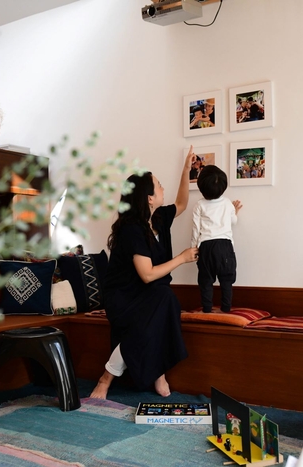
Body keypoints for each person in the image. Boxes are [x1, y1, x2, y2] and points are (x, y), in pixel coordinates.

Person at [90, 149, 200, 399]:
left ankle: (156, 371)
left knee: (165, 299)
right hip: (124, 297)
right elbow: (147, 275)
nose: (163, 188)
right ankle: (106, 378)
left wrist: (186, 170)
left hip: (149, 294)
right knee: (161, 301)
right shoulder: (132, 230)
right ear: (149, 198)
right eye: (159, 185)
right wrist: (181, 258)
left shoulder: (158, 218)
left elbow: (182, 203)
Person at [191, 165, 243, 313]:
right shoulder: (227, 203)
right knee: (226, 279)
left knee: (206, 280)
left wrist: (193, 248)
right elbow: (233, 222)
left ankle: (207, 308)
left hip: (206, 246)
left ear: (201, 187)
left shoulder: (199, 205)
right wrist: (235, 211)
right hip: (224, 246)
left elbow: (196, 229)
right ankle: (226, 308)